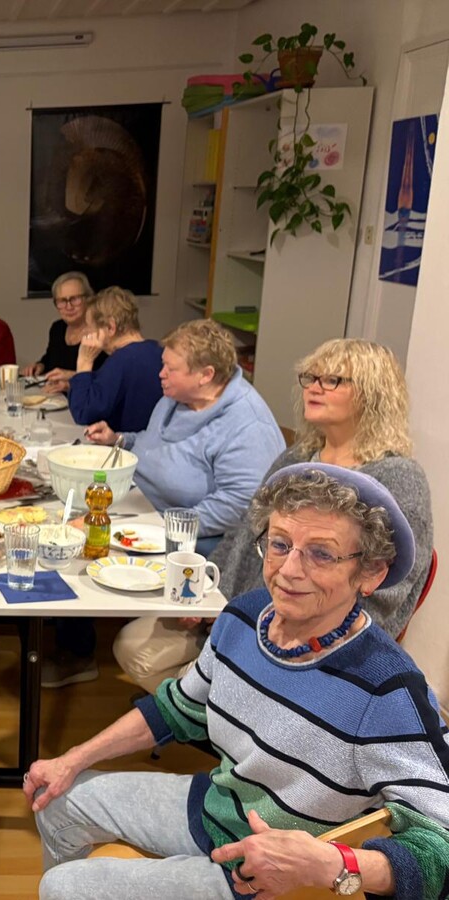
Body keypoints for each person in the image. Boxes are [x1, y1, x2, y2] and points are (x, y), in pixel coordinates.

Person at [26, 464, 449, 900]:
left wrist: (331, 864)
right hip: (218, 806)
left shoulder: (386, 689)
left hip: (270, 878)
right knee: (56, 800)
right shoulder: (247, 615)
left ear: (371, 573)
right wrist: (73, 759)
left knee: (62, 887)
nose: (289, 570)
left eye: (321, 553)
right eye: (280, 544)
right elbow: (178, 709)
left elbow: (443, 845)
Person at [113, 338, 433, 693]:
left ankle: (245, 717)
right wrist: (208, 591)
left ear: (373, 394)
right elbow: (244, 531)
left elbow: (387, 592)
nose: (314, 386)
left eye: (332, 380)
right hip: (242, 611)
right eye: (311, 377)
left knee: (167, 668)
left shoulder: (398, 478)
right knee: (131, 645)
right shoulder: (298, 457)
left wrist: (263, 621)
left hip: (316, 646)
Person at [85, 319, 285, 549]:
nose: (161, 374)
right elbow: (153, 443)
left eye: (171, 369)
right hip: (139, 511)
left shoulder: (248, 425)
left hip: (189, 542)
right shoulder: (178, 397)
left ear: (206, 375)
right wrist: (118, 439)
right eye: (163, 365)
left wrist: (165, 528)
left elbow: (238, 504)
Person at [64, 286, 162, 432]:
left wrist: (84, 362)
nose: (86, 333)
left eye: (90, 328)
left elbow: (83, 413)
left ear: (110, 327)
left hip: (125, 449)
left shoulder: (120, 360)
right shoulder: (159, 349)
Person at [20, 271, 106, 389]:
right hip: (55, 400)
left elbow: (106, 380)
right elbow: (50, 359)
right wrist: (40, 366)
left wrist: (71, 377)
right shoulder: (58, 328)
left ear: (88, 299)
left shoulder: (100, 333)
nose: (69, 306)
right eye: (62, 301)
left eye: (74, 299)